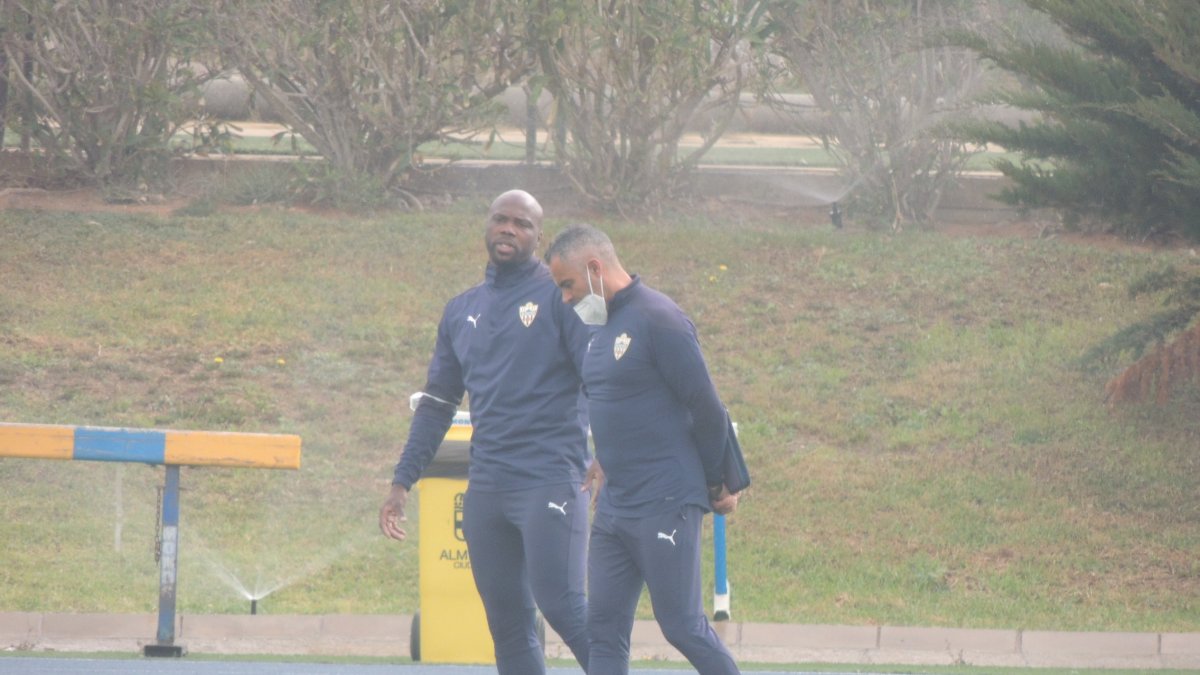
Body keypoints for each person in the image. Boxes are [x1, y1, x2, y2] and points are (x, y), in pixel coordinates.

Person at [379, 190, 592, 675]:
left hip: (551, 479)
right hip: (489, 487)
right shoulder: (461, 310)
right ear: (486, 224)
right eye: (501, 220)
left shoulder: (562, 298)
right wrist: (400, 483)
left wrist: (612, 454)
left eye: (522, 224)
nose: (509, 230)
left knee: (563, 607)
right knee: (508, 624)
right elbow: (436, 404)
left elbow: (602, 380)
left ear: (540, 235)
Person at [545, 223, 743, 675]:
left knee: (681, 625)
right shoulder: (598, 329)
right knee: (604, 628)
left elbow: (706, 406)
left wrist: (719, 480)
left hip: (666, 499)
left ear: (595, 269)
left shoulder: (660, 318)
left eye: (568, 285)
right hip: (616, 506)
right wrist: (603, 456)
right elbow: (624, 401)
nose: (565, 298)